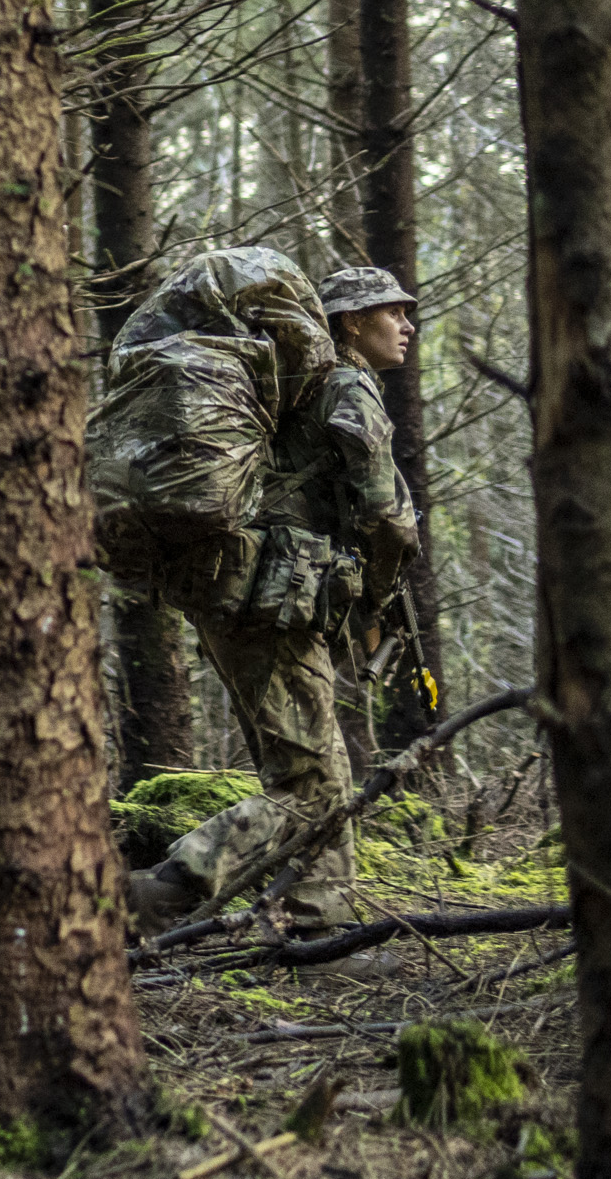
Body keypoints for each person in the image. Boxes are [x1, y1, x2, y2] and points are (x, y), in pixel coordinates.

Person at [129, 264, 425, 933]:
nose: (406, 324)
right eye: (391, 311)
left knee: (318, 774)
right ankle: (154, 895)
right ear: (351, 321)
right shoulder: (347, 385)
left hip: (240, 593)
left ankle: (321, 925)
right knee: (309, 786)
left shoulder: (297, 388)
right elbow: (385, 514)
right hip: (270, 602)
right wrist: (378, 595)